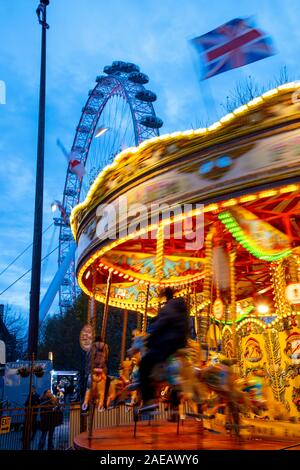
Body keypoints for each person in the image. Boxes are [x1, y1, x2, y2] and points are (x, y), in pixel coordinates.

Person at [139, 287, 189, 411]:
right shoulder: (182, 310)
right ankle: (175, 403)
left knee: (144, 364)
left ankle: (149, 400)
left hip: (166, 346)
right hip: (179, 347)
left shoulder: (168, 308)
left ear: (166, 296)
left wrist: (150, 334)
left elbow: (160, 325)